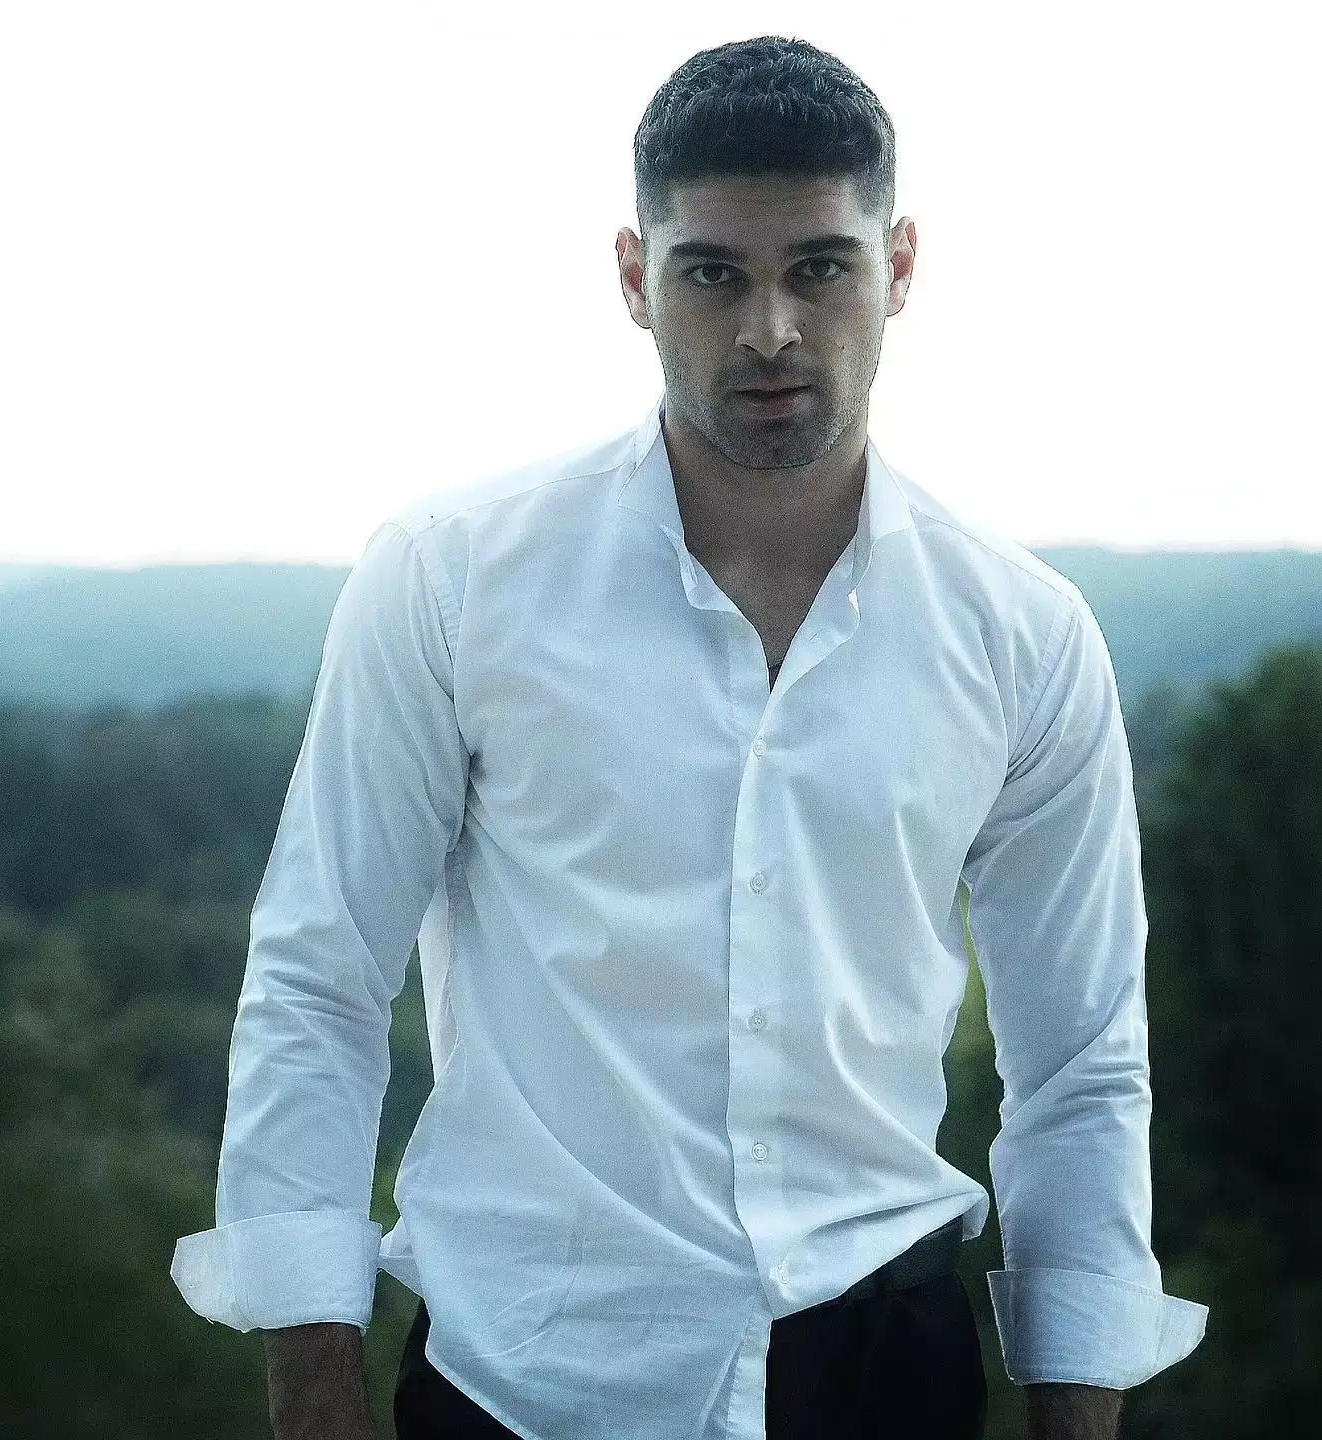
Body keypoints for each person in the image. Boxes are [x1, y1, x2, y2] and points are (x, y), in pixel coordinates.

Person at [169, 33, 1208, 1440]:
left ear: (900, 267)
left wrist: (1077, 1418)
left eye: (820, 267)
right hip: (524, 1383)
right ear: (632, 276)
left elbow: (1081, 1064)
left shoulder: (1023, 633)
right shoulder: (454, 579)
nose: (771, 328)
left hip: (891, 1372)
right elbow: (320, 981)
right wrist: (314, 1402)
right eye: (713, 273)